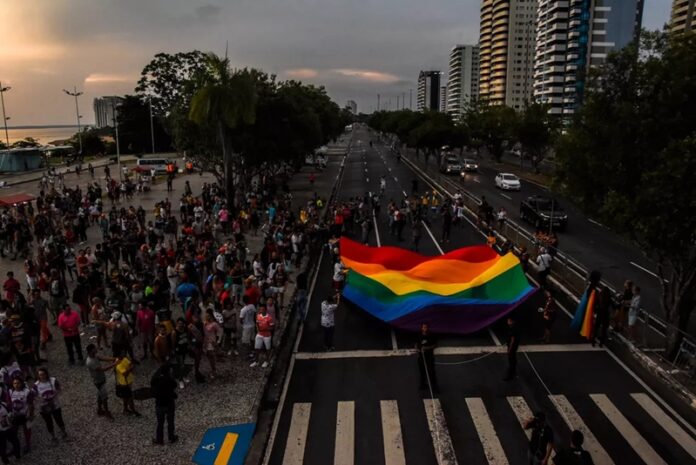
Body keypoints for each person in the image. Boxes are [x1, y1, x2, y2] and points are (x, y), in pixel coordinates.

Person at [33, 367, 68, 442]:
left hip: (55, 404)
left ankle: (64, 432)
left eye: (43, 374)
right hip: (44, 407)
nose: (42, 376)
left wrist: (54, 394)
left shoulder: (53, 380)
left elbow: (59, 389)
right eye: (40, 375)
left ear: (46, 374)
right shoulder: (36, 385)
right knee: (48, 422)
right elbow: (34, 396)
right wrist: (41, 400)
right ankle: (53, 436)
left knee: (59, 419)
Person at [85, 344, 117, 420]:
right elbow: (102, 369)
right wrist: (115, 364)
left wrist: (114, 358)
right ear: (91, 351)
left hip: (100, 379)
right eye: (94, 348)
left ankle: (99, 410)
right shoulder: (90, 362)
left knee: (100, 395)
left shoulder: (94, 356)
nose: (96, 349)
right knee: (104, 397)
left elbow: (103, 358)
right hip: (98, 381)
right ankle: (106, 412)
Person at [150, 364, 178, 445]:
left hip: (159, 404)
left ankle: (159, 440)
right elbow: (174, 385)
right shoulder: (170, 380)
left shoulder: (155, 380)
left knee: (160, 423)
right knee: (170, 422)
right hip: (169, 404)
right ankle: (171, 437)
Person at [9, 377, 34, 454]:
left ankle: (28, 445)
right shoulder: (10, 391)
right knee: (14, 432)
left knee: (26, 431)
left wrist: (30, 414)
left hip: (25, 415)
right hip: (15, 416)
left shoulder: (26, 392)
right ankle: (15, 447)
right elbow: (9, 403)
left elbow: (31, 404)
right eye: (14, 383)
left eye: (18, 383)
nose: (16, 385)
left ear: (21, 383)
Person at [114, 351, 140, 417]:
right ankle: (134, 411)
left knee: (125, 397)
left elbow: (129, 364)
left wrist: (131, 365)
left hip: (128, 382)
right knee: (130, 398)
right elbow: (125, 373)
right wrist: (132, 367)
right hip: (124, 384)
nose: (124, 353)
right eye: (122, 352)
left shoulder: (124, 358)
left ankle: (125, 409)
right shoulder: (118, 365)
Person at [416, 323, 438, 392]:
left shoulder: (431, 335)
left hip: (429, 357)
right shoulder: (419, 335)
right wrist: (418, 349)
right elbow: (416, 344)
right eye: (423, 327)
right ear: (421, 328)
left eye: (426, 327)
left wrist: (426, 348)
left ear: (428, 328)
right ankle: (423, 385)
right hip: (421, 357)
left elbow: (435, 345)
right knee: (422, 372)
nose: (424, 329)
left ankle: (435, 388)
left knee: (431, 373)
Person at [250, 304, 274, 368]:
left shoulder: (269, 318)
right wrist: (258, 329)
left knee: (267, 349)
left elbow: (272, 327)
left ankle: (266, 361)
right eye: (260, 309)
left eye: (263, 309)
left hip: (267, 335)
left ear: (265, 310)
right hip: (259, 334)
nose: (261, 310)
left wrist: (265, 329)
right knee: (257, 348)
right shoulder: (258, 316)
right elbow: (257, 323)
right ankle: (256, 361)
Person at [0, 399, 21, 464]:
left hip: (8, 428)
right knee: (2, 447)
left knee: (16, 442)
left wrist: (9, 416)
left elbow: (10, 411)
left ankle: (17, 456)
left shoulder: (3, 404)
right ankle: (6, 461)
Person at [504, 316, 519, 381]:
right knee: (513, 360)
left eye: (509, 321)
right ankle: (514, 373)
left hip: (512, 347)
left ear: (512, 321)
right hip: (513, 347)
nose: (508, 322)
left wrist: (509, 349)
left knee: (511, 361)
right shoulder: (512, 328)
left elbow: (513, 340)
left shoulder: (513, 329)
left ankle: (510, 376)